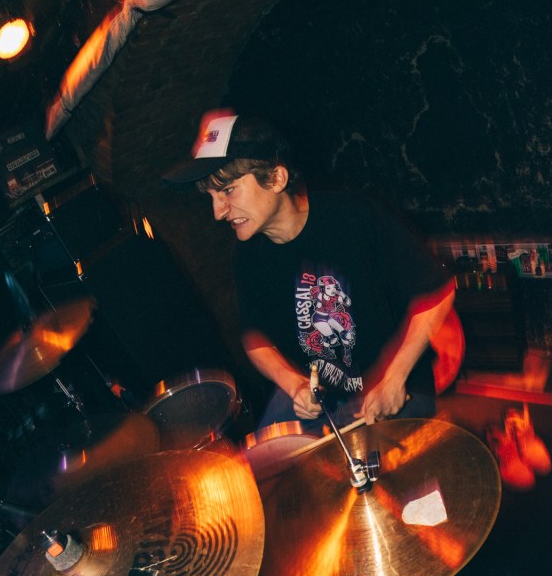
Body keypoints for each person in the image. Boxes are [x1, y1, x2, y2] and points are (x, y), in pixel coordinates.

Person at [165, 111, 455, 430]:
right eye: (211, 197)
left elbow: (436, 291)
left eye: (228, 191)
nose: (218, 212)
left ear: (276, 178)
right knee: (264, 458)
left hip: (398, 387)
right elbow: (255, 336)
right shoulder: (248, 255)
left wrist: (395, 377)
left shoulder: (353, 216)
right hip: (321, 403)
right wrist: (294, 384)